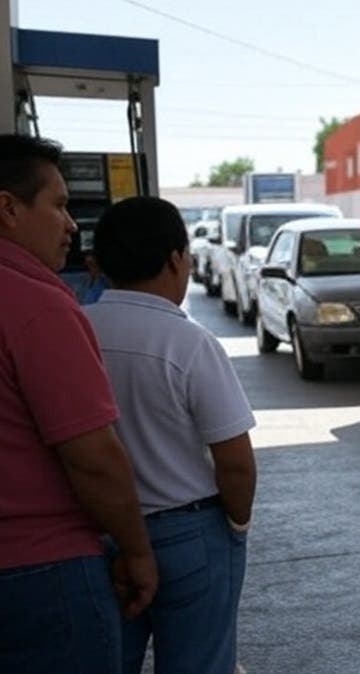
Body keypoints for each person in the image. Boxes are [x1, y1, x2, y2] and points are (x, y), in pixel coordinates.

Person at [0, 134, 157, 673]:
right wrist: (137, 551)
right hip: (42, 575)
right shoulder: (37, 305)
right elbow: (92, 454)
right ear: (8, 208)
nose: (71, 225)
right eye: (60, 205)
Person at [85, 196, 258, 674]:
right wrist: (236, 526)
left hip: (95, 532)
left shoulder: (74, 332)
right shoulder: (188, 342)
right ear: (177, 259)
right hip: (190, 533)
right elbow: (236, 461)